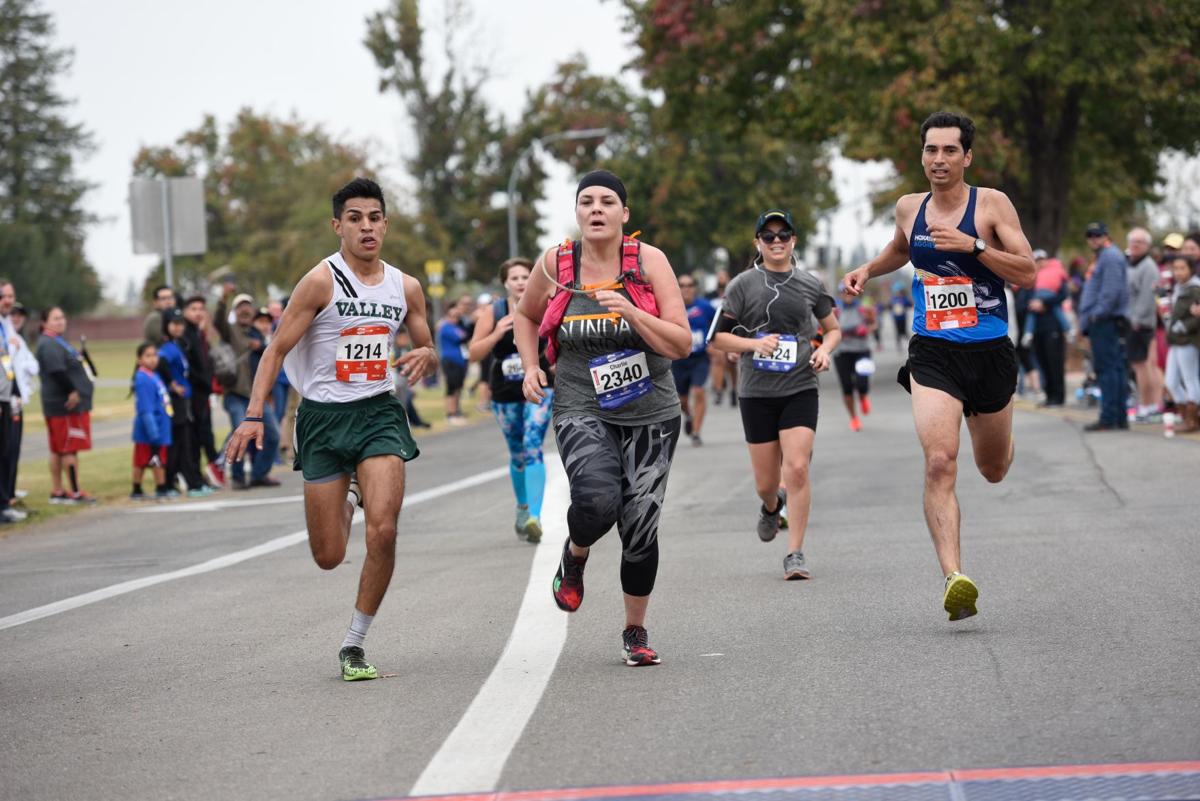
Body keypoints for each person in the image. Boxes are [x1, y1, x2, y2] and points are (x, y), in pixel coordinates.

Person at [225, 177, 437, 681]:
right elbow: (275, 351)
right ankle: (351, 496)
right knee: (328, 555)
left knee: (384, 529)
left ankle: (354, 644)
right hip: (323, 418)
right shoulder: (321, 282)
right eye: (355, 218)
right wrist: (253, 415)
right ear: (337, 225)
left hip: (379, 413)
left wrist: (426, 355)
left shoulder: (405, 287)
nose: (367, 227)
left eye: (375, 218)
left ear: (385, 224)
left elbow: (425, 343)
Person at [844, 111, 1036, 621]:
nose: (940, 159)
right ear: (922, 155)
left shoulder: (991, 204)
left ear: (967, 157)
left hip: (989, 351)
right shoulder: (910, 207)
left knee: (992, 469)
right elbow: (900, 249)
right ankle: (955, 577)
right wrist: (868, 268)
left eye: (950, 150)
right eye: (932, 149)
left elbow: (1028, 272)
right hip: (933, 350)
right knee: (939, 461)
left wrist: (974, 246)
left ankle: (999, 437)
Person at [514, 169, 690, 667]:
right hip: (581, 405)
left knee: (640, 525)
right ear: (577, 212)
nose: (596, 208)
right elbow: (526, 315)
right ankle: (575, 554)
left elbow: (681, 342)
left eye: (607, 201)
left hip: (651, 411)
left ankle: (635, 631)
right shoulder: (556, 263)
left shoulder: (649, 262)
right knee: (596, 499)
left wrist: (632, 313)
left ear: (624, 214)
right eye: (586, 201)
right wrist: (531, 366)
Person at [711, 210, 840, 579]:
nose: (777, 241)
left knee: (797, 468)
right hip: (756, 392)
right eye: (768, 236)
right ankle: (771, 506)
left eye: (784, 235)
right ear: (758, 243)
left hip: (800, 385)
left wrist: (824, 350)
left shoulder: (810, 284)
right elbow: (717, 338)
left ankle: (795, 553)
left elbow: (833, 329)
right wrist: (754, 344)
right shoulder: (742, 285)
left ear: (794, 240)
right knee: (766, 483)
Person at [468, 257, 554, 542]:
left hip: (540, 388)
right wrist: (496, 333)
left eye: (525, 277)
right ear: (505, 282)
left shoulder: (545, 304)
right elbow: (474, 353)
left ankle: (535, 517)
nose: (520, 282)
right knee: (517, 451)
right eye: (514, 278)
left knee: (532, 444)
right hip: (505, 392)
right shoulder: (494, 311)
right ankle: (523, 507)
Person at [215, 286, 280, 488]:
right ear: (235, 311)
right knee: (239, 432)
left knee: (273, 435)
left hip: (256, 396)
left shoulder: (257, 333)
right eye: (240, 307)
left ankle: (259, 474)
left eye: (248, 306)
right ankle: (237, 477)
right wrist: (223, 298)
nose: (245, 310)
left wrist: (259, 344)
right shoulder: (230, 331)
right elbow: (218, 322)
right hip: (235, 394)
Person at [35, 307, 98, 504]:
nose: (60, 321)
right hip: (64, 406)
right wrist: (72, 390)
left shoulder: (56, 341)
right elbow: (57, 371)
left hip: (59, 405)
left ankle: (58, 491)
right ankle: (75, 492)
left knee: (58, 449)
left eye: (62, 317)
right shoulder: (49, 343)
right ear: (44, 322)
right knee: (69, 449)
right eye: (55, 318)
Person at [1077, 221, 1131, 432]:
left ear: (1106, 236)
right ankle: (1118, 417)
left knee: (1107, 369)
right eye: (1090, 236)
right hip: (1105, 320)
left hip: (1105, 321)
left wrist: (1095, 315)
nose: (1093, 239)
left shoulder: (1109, 256)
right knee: (1114, 368)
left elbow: (1111, 291)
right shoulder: (1105, 256)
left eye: (1097, 235)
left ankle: (1109, 417)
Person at [157, 308, 209, 496]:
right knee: (179, 443)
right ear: (166, 325)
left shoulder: (177, 344)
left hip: (185, 399)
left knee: (186, 442)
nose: (178, 327)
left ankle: (191, 482)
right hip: (176, 402)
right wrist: (172, 384)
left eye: (181, 324)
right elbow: (161, 364)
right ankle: (175, 484)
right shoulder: (166, 347)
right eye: (174, 324)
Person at [181, 295, 223, 486]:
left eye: (201, 309)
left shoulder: (198, 334)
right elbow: (190, 368)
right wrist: (205, 383)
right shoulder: (185, 335)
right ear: (185, 311)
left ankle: (204, 474)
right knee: (195, 437)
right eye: (194, 309)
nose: (198, 313)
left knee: (204, 434)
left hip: (203, 393)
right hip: (193, 393)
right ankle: (194, 477)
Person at [670, 272, 717, 446]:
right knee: (681, 400)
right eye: (682, 285)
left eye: (689, 285)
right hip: (679, 359)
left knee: (699, 391)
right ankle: (688, 415)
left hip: (700, 358)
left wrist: (713, 342)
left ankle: (696, 432)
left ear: (695, 288)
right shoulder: (671, 307)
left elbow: (718, 323)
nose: (686, 289)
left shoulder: (705, 306)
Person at [1125, 228, 1165, 421]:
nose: (1135, 245)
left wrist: (1137, 320)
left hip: (1140, 323)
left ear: (1147, 246)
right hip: (1133, 321)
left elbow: (1148, 298)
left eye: (1139, 242)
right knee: (1144, 365)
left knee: (1142, 366)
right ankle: (1151, 405)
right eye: (1132, 241)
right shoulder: (1132, 264)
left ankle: (1148, 406)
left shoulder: (1148, 267)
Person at [1025, 254, 1070, 407]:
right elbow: (1024, 300)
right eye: (1037, 261)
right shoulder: (1032, 278)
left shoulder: (1054, 275)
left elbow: (1063, 294)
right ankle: (1049, 395)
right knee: (1042, 361)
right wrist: (1032, 304)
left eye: (1042, 260)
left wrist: (1044, 303)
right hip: (1037, 328)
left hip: (1052, 325)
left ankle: (1058, 396)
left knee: (1054, 361)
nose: (1040, 263)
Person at [4, 300, 38, 506]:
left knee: (14, 449)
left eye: (20, 315)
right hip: (7, 400)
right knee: (7, 449)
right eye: (13, 314)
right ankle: (6, 495)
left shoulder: (20, 340)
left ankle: (10, 491)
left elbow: (34, 366)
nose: (16, 318)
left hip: (18, 400)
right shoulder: (7, 339)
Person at [130, 342, 173, 501]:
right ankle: (144, 488)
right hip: (149, 429)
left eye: (154, 355)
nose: (152, 359)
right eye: (148, 356)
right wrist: (153, 432)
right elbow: (146, 408)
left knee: (159, 458)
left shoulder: (153, 375)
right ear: (139, 359)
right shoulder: (142, 378)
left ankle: (159, 487)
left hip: (161, 426)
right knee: (146, 460)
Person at [1163, 255, 1200, 432]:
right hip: (1175, 341)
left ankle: (1192, 420)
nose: (1178, 272)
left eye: (1182, 268)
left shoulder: (1195, 289)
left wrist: (1183, 327)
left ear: (1191, 269)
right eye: (1175, 268)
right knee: (1170, 381)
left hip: (1188, 340)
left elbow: (1197, 317)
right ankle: (1185, 415)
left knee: (1190, 379)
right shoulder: (1178, 288)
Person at [832, 280, 875, 432]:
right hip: (842, 352)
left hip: (861, 350)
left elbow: (874, 324)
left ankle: (863, 396)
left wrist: (866, 329)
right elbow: (825, 328)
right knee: (847, 387)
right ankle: (854, 418)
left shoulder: (864, 308)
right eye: (845, 292)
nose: (848, 295)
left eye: (850, 292)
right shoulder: (835, 310)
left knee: (862, 384)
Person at [437, 297, 469, 425]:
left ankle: (456, 410)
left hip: (460, 360)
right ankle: (450, 413)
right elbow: (461, 337)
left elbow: (465, 335)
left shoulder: (457, 326)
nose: (455, 318)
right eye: (453, 316)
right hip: (450, 360)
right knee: (451, 387)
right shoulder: (445, 327)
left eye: (457, 316)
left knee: (458, 387)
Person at [888, 282, 913, 350]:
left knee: (904, 331)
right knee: (898, 332)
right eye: (897, 292)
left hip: (903, 317)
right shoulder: (893, 298)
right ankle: (899, 345)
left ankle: (910, 343)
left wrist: (906, 302)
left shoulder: (904, 298)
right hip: (896, 318)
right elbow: (889, 306)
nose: (898, 293)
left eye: (899, 291)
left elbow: (909, 305)